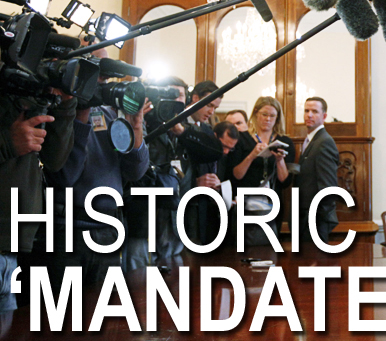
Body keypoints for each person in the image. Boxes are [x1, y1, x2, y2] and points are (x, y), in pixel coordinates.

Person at [33, 47, 150, 292]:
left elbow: (135, 172)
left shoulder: (109, 114)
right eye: (96, 71)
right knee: (63, 320)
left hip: (108, 231)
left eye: (106, 74)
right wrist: (81, 111)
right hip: (68, 232)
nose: (102, 79)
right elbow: (64, 175)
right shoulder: (55, 111)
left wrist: (136, 126)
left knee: (105, 319)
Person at [0, 89, 76, 310]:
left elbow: (55, 161)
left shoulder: (34, 87)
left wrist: (66, 104)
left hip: (12, 247)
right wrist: (6, 142)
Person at [123, 76, 189, 271]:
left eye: (180, 96)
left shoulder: (184, 127)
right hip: (141, 210)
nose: (175, 100)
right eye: (170, 94)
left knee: (172, 268)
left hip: (170, 210)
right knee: (138, 271)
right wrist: (138, 121)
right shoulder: (146, 118)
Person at [228, 96, 295, 245]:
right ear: (256, 114)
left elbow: (285, 181)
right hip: (245, 201)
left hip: (272, 201)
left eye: (272, 116)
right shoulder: (242, 139)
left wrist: (280, 160)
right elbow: (236, 175)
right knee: (244, 245)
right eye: (264, 114)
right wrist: (252, 155)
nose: (268, 119)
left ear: (277, 118)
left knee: (269, 245)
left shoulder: (285, 142)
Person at [172, 80, 224, 244]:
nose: (211, 111)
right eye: (209, 105)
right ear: (194, 97)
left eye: (215, 107)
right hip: (179, 202)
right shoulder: (176, 123)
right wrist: (194, 182)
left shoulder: (207, 129)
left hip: (203, 207)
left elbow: (214, 154)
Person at [295, 97, 339, 243]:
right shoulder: (311, 140)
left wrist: (316, 221)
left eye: (314, 111)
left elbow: (328, 187)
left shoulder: (324, 141)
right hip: (304, 218)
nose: (309, 115)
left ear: (324, 116)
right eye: (306, 111)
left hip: (314, 221)